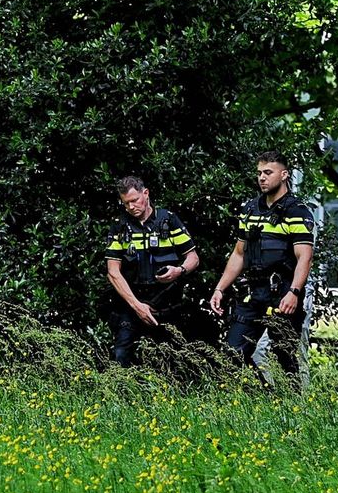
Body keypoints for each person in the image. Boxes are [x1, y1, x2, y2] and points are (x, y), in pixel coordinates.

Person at [209, 151, 315, 383]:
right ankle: (265, 394)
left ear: (284, 175)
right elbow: (239, 254)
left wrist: (294, 292)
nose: (262, 178)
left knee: (284, 359)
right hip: (253, 293)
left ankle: (289, 401)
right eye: (259, 173)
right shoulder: (250, 209)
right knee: (232, 354)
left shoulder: (296, 211)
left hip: (283, 293)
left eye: (268, 172)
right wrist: (219, 289)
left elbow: (305, 258)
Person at [105, 176, 201, 367]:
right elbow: (112, 272)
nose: (131, 207)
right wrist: (137, 307)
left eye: (135, 200)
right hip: (132, 303)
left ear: (146, 193)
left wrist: (179, 270)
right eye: (126, 203)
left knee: (171, 361)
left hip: (166, 303)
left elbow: (193, 258)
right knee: (121, 356)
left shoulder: (168, 220)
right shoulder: (119, 226)